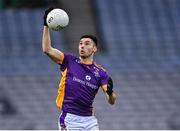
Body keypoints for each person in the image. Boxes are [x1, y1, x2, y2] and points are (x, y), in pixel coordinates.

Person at [42, 8, 116, 130]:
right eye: (80, 43)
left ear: (94, 49)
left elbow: (111, 101)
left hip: (89, 121)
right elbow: (47, 49)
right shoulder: (68, 60)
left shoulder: (101, 73)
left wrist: (110, 92)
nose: (82, 46)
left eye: (87, 43)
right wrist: (46, 25)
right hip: (70, 119)